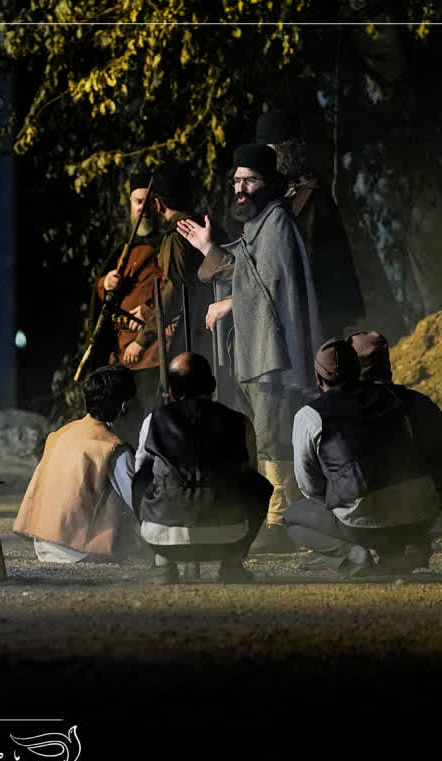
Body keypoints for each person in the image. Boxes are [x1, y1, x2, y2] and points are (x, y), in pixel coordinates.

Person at [178, 143, 325, 553]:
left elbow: (273, 287)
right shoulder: (260, 223)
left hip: (273, 354)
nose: (241, 188)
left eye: (250, 180)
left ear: (268, 182)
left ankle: (279, 524)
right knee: (265, 434)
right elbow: (245, 271)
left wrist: (228, 303)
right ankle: (289, 520)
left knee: (272, 435)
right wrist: (208, 248)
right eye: (237, 180)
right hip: (258, 351)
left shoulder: (276, 223)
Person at [283, 339, 442, 576]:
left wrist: (336, 494)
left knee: (292, 518)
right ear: (358, 369)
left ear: (318, 377)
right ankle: (395, 553)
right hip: (419, 518)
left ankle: (353, 556)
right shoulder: (391, 397)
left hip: (362, 525)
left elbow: (308, 485)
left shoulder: (310, 415)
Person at [133, 353, 272, 583]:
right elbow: (250, 474)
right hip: (228, 539)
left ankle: (162, 565)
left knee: (141, 476)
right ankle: (233, 565)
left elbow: (140, 473)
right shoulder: (240, 422)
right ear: (213, 386)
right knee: (257, 484)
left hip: (164, 541)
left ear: (173, 392)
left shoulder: (153, 420)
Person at [102, 164, 212, 445]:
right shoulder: (127, 247)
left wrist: (144, 335)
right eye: (137, 202)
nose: (144, 209)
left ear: (158, 203)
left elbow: (173, 293)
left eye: (148, 201)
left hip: (160, 348)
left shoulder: (174, 237)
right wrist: (105, 284)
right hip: (130, 347)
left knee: (158, 420)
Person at [348, 330, 442, 569]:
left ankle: (383, 550)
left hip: (376, 521)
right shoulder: (423, 403)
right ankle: (414, 542)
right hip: (430, 517)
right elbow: (440, 465)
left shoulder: (347, 409)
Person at [255, 108, 366, 336]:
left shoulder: (312, 197)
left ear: (285, 152)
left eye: (269, 152)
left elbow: (312, 263)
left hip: (314, 317)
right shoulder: (276, 197)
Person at [13, 365, 139, 563]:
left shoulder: (61, 433)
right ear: (124, 405)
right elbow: (138, 502)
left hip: (43, 542)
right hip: (77, 549)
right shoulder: (112, 448)